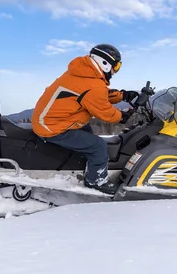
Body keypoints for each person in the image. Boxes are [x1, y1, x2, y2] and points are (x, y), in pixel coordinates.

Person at [31, 44, 139, 195]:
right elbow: (105, 111)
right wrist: (122, 116)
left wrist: (122, 95)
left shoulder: (85, 73)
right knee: (98, 146)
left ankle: (83, 168)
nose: (115, 71)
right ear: (105, 63)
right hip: (52, 126)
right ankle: (96, 181)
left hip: (57, 120)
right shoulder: (91, 83)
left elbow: (99, 94)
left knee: (89, 136)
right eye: (117, 66)